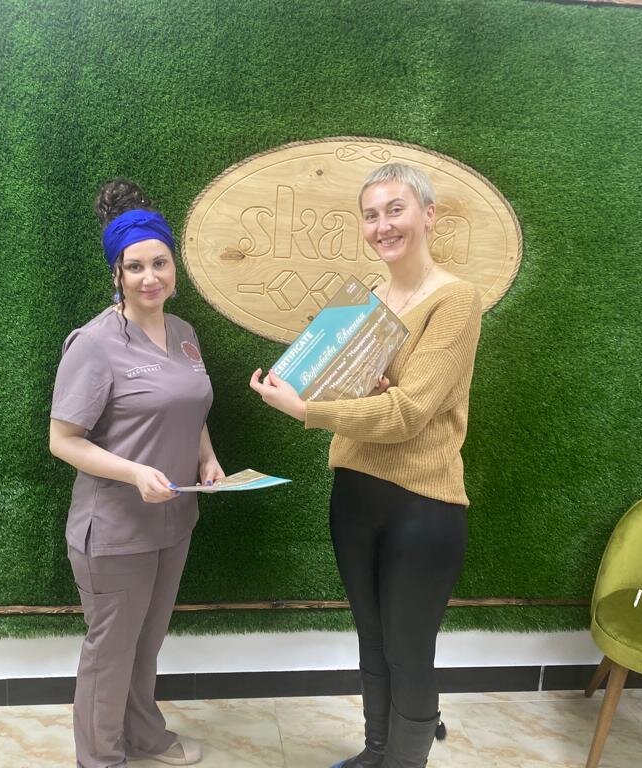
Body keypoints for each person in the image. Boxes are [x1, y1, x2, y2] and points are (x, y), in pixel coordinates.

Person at [249, 163, 481, 768]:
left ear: (428, 214)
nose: (383, 225)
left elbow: (408, 413)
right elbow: (372, 395)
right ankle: (375, 753)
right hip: (354, 495)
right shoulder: (371, 299)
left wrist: (307, 408)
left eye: (396, 209)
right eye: (372, 215)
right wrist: (352, 387)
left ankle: (403, 762)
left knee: (408, 653)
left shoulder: (457, 300)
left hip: (422, 506)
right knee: (373, 643)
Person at [50, 179, 224, 768]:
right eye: (135, 267)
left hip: (174, 521)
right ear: (117, 274)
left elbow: (189, 408)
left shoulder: (185, 335)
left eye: (160, 263)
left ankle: (145, 736)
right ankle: (100, 758)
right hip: (115, 530)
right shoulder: (94, 344)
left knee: (144, 646)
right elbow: (63, 441)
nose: (150, 277)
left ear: (174, 268)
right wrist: (133, 473)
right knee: (110, 654)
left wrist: (206, 456)